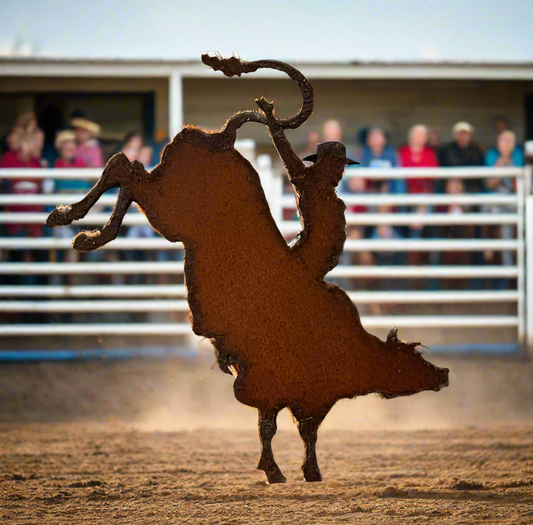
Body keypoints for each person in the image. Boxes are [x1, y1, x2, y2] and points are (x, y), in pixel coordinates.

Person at [438, 122, 484, 192]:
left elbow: (479, 167)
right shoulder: (447, 149)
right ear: (456, 135)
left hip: (471, 184)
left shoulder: (476, 150)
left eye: (467, 134)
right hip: (451, 184)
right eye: (462, 133)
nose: (464, 136)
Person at [362, 127, 405, 194]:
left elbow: (396, 175)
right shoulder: (362, 155)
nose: (376, 139)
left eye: (379, 136)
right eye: (373, 136)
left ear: (384, 139)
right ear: (368, 140)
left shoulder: (392, 155)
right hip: (369, 189)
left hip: (389, 188)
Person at [398, 124, 438, 194]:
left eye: (424, 135)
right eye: (419, 135)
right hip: (405, 190)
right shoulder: (402, 152)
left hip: (425, 190)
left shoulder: (430, 153)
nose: (422, 137)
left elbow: (433, 173)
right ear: (411, 136)